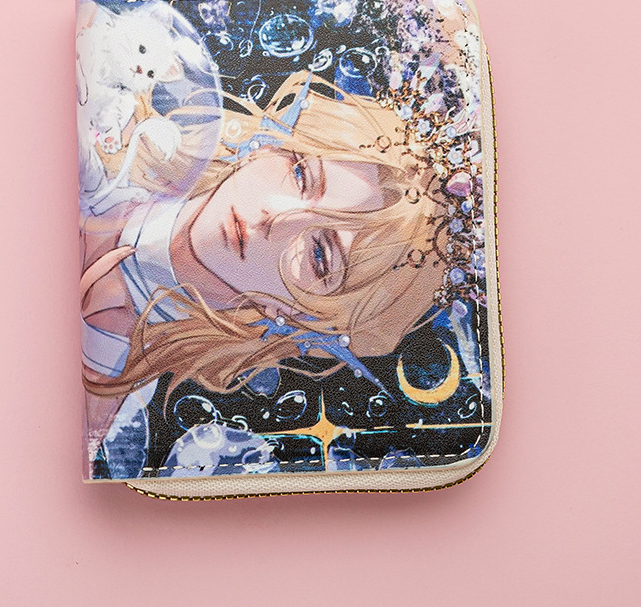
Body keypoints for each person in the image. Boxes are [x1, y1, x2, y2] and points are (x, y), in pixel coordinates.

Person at [78, 70, 463, 462]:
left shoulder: (110, 391)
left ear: (307, 318)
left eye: (319, 255)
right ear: (268, 145)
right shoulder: (109, 116)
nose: (274, 217)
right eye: (300, 173)